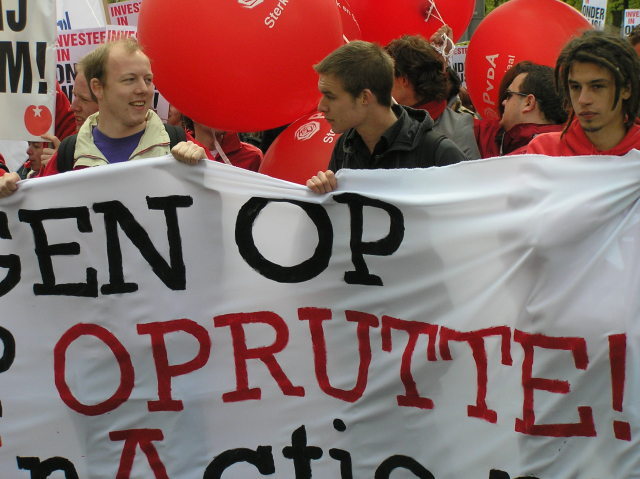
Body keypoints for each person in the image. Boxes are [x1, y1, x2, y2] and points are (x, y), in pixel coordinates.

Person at [306, 40, 466, 193]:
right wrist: (325, 192)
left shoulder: (438, 152)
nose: (321, 107)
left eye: (331, 96)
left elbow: (468, 215)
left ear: (364, 97)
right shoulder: (346, 146)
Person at [526, 30, 640, 155]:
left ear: (627, 89)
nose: (583, 100)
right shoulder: (544, 151)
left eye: (597, 86)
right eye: (575, 87)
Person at [385, 34, 481, 160]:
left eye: (387, 75)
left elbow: (468, 177)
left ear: (404, 79)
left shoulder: (457, 128)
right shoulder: (383, 121)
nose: (383, 83)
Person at [475, 61, 568, 158]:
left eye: (509, 95)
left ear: (528, 102)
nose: (503, 102)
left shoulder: (524, 158)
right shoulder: (569, 150)